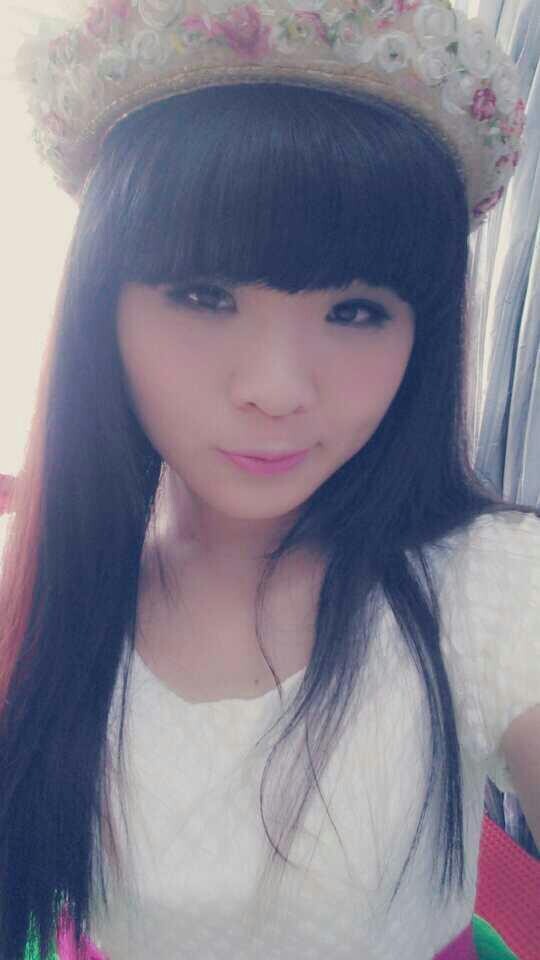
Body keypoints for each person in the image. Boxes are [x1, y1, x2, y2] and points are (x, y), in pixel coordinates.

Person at [0, 1, 538, 958]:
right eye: (204, 294)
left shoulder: (488, 582)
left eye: (357, 310)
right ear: (99, 307)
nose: (278, 390)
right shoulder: (33, 582)